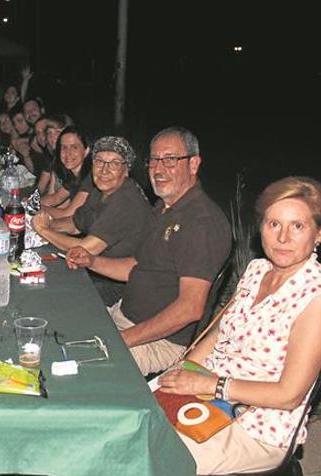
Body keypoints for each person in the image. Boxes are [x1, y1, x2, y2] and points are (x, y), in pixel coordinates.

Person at [159, 176, 321, 475]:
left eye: (297, 226)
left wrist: (209, 385)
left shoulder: (317, 301)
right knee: (132, 418)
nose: (282, 238)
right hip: (211, 397)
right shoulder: (257, 270)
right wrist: (185, 369)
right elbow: (220, 331)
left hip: (258, 426)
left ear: (319, 232)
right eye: (273, 224)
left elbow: (289, 395)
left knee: (156, 453)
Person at [66, 126, 231, 374]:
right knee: (61, 328)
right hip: (124, 316)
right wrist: (91, 261)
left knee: (79, 371)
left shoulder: (201, 223)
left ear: (193, 164)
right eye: (154, 160)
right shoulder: (164, 208)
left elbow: (190, 307)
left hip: (159, 343)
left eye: (170, 160)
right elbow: (137, 266)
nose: (158, 168)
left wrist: (124, 339)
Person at [32, 136, 150, 306]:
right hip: (95, 272)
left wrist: (44, 230)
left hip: (121, 288)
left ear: (126, 171)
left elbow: (87, 248)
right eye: (99, 161)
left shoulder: (126, 201)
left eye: (115, 164)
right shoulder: (100, 190)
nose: (104, 170)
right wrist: (43, 223)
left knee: (49, 295)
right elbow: (74, 224)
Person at [40, 127, 92, 220]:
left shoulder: (90, 178)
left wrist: (37, 208)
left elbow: (67, 214)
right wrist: (28, 202)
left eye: (74, 147)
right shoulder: (73, 176)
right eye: (63, 147)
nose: (68, 153)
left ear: (86, 151)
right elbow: (56, 198)